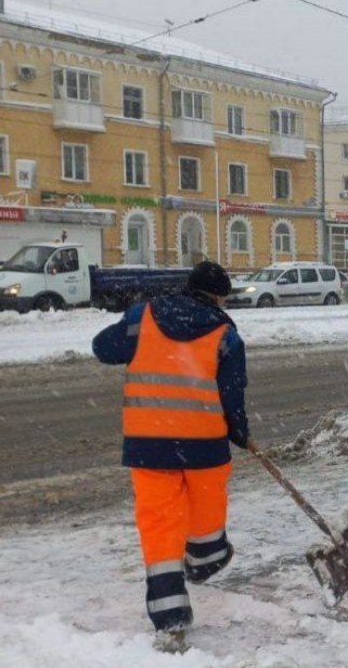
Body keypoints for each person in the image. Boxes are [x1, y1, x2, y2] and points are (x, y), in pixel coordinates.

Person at [92, 262, 249, 636]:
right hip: (205, 446)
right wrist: (239, 431)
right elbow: (232, 393)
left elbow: (103, 347)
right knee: (206, 506)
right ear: (218, 297)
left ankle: (169, 609)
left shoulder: (143, 316)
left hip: (149, 444)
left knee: (160, 520)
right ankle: (207, 559)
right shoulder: (226, 334)